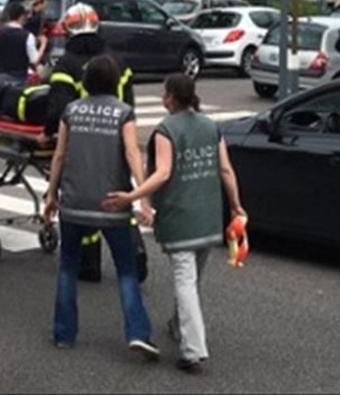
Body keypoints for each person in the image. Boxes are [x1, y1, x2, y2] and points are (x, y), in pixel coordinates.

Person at [103, 74, 247, 372]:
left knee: (185, 279)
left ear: (171, 97)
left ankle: (192, 349)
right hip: (208, 217)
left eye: (164, 94)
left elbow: (163, 172)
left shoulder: (165, 131)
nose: (161, 98)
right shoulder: (211, 126)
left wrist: (133, 196)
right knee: (192, 280)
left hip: (180, 217)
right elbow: (226, 170)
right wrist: (235, 206)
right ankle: (179, 325)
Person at [42, 55, 158, 358]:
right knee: (126, 270)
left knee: (67, 266)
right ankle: (137, 332)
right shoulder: (123, 112)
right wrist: (142, 199)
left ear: (86, 82)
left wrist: (51, 195)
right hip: (113, 202)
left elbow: (59, 155)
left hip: (75, 202)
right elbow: (133, 154)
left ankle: (64, 333)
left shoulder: (71, 111)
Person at [41, 2, 142, 284]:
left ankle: (89, 265)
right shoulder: (117, 60)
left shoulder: (67, 65)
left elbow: (58, 109)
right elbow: (130, 103)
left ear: (69, 29)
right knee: (119, 194)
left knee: (86, 199)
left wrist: (48, 133)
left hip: (83, 143)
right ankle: (134, 250)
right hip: (120, 135)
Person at [0, 1, 40, 82]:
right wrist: (43, 44)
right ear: (22, 16)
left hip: (0, 76)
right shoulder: (28, 36)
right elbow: (34, 60)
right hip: (19, 78)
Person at [24, 0, 49, 64]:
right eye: (44, 5)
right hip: (30, 39)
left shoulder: (40, 14)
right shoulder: (31, 15)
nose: (45, 7)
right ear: (40, 4)